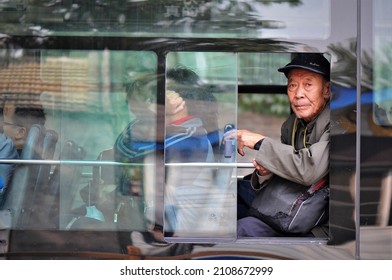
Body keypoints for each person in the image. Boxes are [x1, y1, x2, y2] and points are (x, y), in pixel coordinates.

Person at [114, 66, 218, 254]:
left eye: (161, 95)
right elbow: (121, 146)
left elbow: (130, 150)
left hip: (175, 235)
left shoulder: (191, 135)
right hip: (161, 219)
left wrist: (152, 116)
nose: (155, 102)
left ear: (179, 101)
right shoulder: (169, 131)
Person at [232, 53, 331, 237]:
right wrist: (266, 172)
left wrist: (260, 142)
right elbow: (284, 167)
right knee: (234, 204)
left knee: (244, 230)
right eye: (293, 85)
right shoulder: (291, 125)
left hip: (319, 224)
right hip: (288, 207)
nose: (298, 94)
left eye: (308, 85)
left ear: (326, 90)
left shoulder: (337, 123)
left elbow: (308, 169)